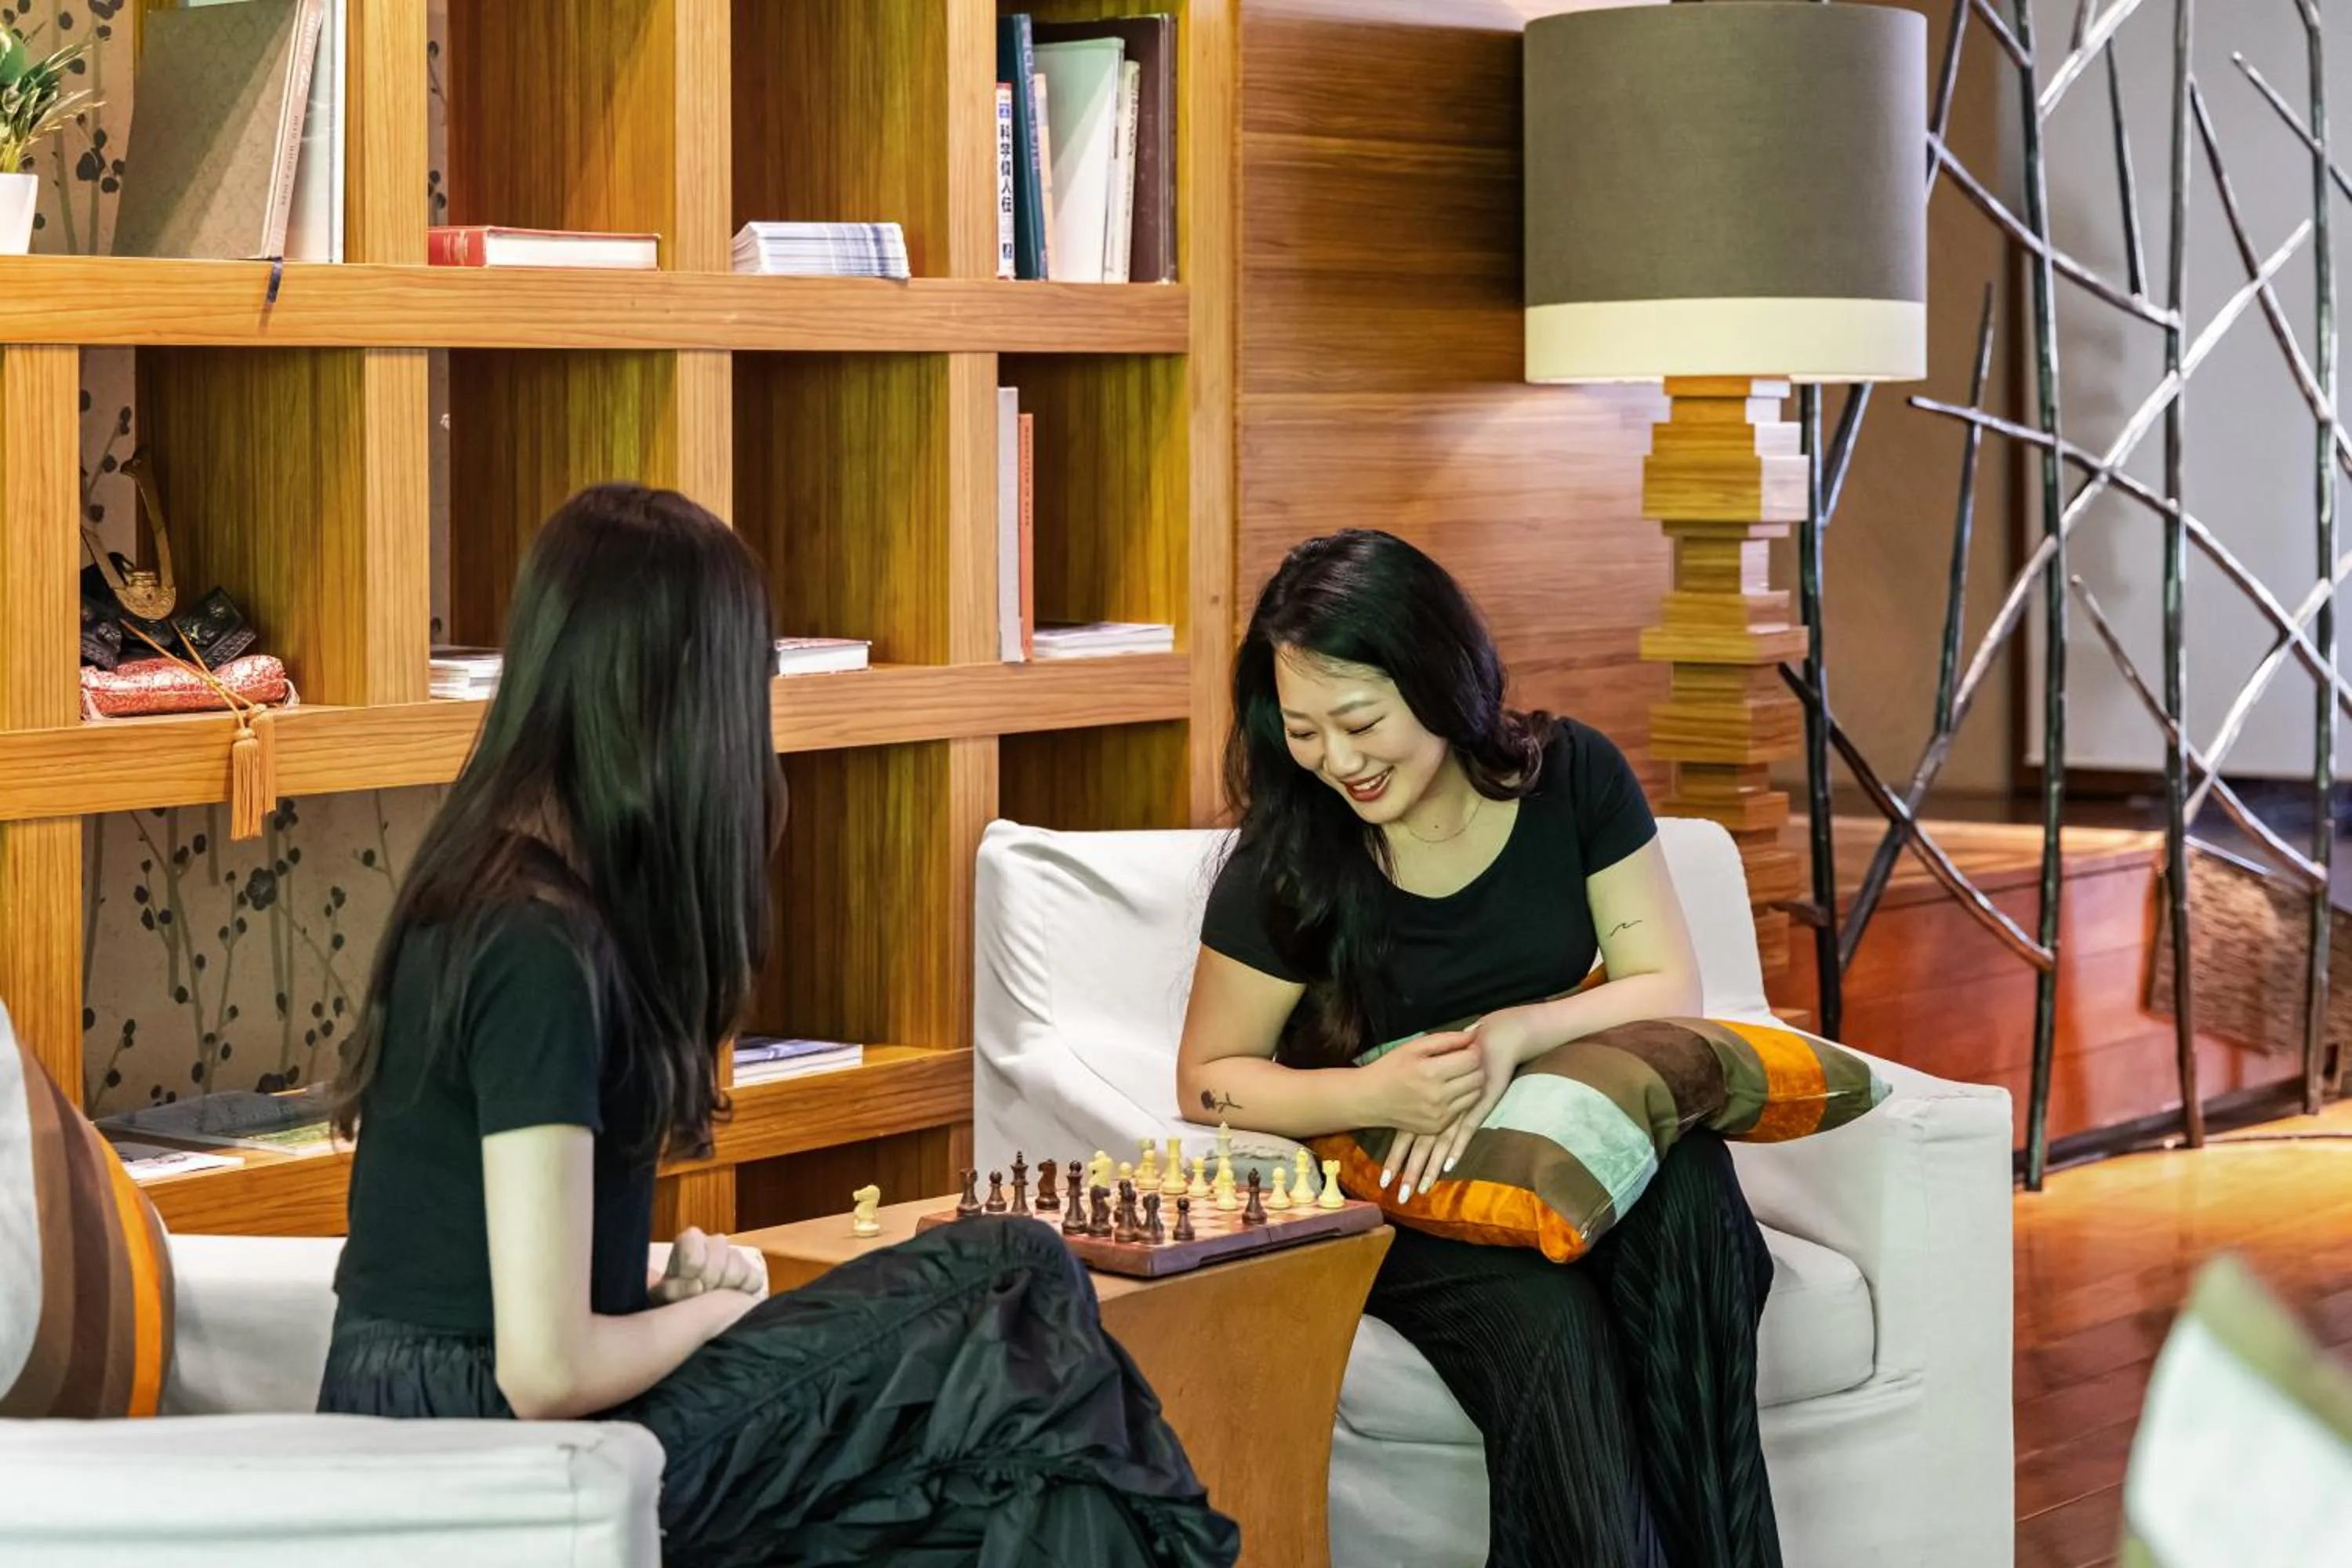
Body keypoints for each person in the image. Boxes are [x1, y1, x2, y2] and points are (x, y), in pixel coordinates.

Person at [316, 483, 1238, 1568]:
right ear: (685, 699)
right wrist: (710, 1320)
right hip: (475, 1461)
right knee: (1016, 1274)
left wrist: (659, 1299)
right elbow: (544, 1372)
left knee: (1000, 1491)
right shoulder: (533, 946)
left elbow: (517, 1308)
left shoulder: (508, 897)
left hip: (470, 1430)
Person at [1177, 528, 1779, 1568]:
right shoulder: (1293, 860)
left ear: (1440, 679)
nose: (1339, 762)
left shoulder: (1571, 779)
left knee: (1693, 1205)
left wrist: (1516, 1035)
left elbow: (1667, 985)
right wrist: (1376, 1090)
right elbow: (1207, 1080)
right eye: (1307, 731)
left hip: (1565, 1144)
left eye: (1360, 721)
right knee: (1551, 1332)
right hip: (1406, 1198)